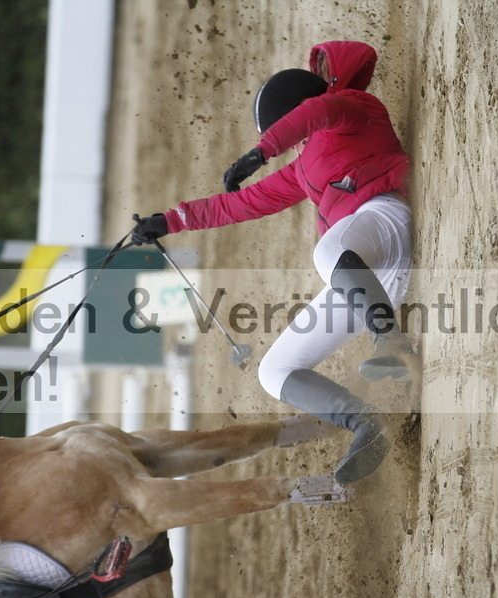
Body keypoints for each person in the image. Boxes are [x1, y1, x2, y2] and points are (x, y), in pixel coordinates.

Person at [132, 41, 414, 485]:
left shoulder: (352, 108)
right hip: (371, 276)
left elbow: (315, 115)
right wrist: (167, 221)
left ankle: (391, 343)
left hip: (382, 221)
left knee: (326, 253)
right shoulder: (302, 168)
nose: (298, 142)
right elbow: (241, 204)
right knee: (273, 371)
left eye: (291, 132)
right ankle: (366, 423)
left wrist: (262, 152)